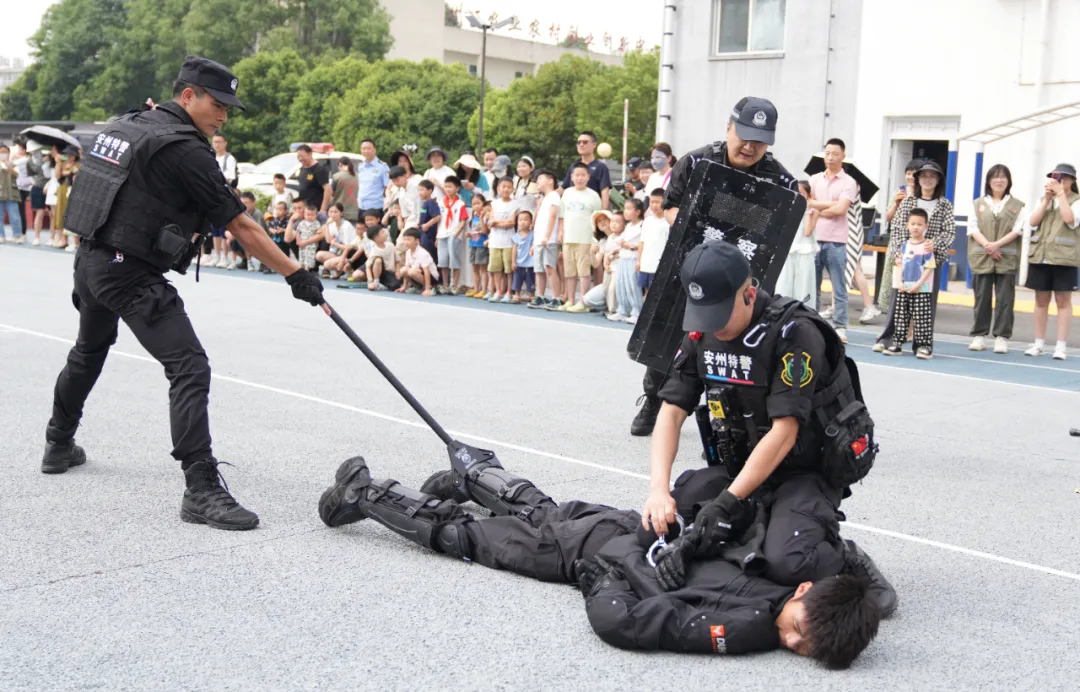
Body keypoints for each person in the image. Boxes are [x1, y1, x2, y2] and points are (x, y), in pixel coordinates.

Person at [43, 56, 325, 530]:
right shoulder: (186, 150)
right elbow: (239, 224)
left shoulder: (134, 123)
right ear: (188, 95)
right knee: (189, 366)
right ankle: (201, 489)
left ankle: (58, 442)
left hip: (91, 260)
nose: (224, 116)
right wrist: (295, 274)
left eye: (230, 109)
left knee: (88, 350)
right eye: (218, 104)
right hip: (128, 272)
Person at [318, 454, 888, 668]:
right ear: (803, 593)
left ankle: (472, 475)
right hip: (618, 546)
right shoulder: (750, 618)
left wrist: (604, 584)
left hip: (627, 538)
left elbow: (632, 620)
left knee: (543, 511)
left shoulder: (778, 591)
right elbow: (625, 624)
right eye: (796, 632)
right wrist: (603, 583)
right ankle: (368, 495)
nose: (789, 642)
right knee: (479, 540)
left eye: (802, 648)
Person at [636, 241, 892, 618]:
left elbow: (785, 432)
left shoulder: (795, 334)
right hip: (744, 470)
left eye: (719, 315)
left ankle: (842, 555)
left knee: (788, 563)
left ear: (749, 294)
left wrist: (726, 503)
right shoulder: (702, 333)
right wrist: (658, 490)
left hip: (804, 471)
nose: (711, 327)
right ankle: (756, 526)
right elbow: (671, 412)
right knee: (657, 531)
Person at [631, 96, 798, 437]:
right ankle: (653, 399)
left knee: (737, 346)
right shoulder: (695, 161)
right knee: (666, 340)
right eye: (745, 135)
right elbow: (670, 206)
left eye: (760, 141)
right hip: (689, 266)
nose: (750, 146)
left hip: (741, 282)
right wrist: (694, 229)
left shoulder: (781, 181)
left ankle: (735, 417)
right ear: (729, 127)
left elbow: (779, 232)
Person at [873, 160, 955, 355]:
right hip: (905, 259)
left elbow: (950, 231)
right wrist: (905, 249)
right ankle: (889, 339)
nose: (927, 180)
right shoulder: (908, 202)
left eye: (932, 176)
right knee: (898, 301)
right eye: (923, 176)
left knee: (926, 304)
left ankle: (923, 345)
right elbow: (899, 227)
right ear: (917, 179)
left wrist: (933, 244)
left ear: (938, 180)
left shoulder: (944, 205)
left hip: (929, 262)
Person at [1023, 163, 1080, 360]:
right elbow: (1032, 222)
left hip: (1065, 259)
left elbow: (1069, 219)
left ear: (1072, 181)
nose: (1059, 182)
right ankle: (1038, 343)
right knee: (1040, 301)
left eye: (1064, 178)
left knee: (1063, 302)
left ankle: (1061, 347)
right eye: (1056, 178)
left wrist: (1061, 196)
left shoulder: (1076, 200)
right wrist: (1047, 200)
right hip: (1041, 256)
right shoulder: (1044, 200)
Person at [967, 164, 1025, 354]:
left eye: (1003, 177)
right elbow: (973, 229)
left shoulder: (1018, 205)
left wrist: (996, 245)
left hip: (1006, 258)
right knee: (981, 297)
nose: (999, 180)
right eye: (995, 177)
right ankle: (979, 335)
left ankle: (1001, 337)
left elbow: (1018, 230)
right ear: (988, 181)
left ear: (1009, 181)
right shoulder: (977, 204)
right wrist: (988, 247)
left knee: (1005, 299)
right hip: (982, 257)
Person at [806, 138, 859, 344]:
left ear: (843, 156)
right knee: (814, 286)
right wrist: (827, 205)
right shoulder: (814, 179)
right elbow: (807, 204)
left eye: (835, 153)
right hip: (814, 239)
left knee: (839, 288)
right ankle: (814, 323)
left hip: (837, 241)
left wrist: (818, 208)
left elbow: (841, 209)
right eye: (827, 153)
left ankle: (840, 326)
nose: (830, 157)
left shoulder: (849, 182)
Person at [882, 208, 936, 358]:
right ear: (907, 225)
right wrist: (899, 282)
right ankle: (897, 343)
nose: (916, 227)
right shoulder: (904, 245)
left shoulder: (926, 246)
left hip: (922, 289)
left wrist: (918, 284)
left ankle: (923, 346)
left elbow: (929, 267)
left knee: (921, 317)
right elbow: (899, 264)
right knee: (901, 316)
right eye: (913, 224)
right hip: (903, 288)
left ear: (926, 226)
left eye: (919, 224)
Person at [557, 162, 603, 313]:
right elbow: (562, 216)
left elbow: (598, 218)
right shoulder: (567, 193)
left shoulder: (594, 195)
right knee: (569, 271)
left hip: (585, 238)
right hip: (568, 238)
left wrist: (595, 240)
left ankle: (583, 301)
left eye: (583, 175)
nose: (580, 178)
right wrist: (560, 232)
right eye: (577, 175)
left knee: (583, 271)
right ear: (571, 177)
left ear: (588, 177)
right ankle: (570, 300)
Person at [775, 181, 820, 306]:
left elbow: (807, 232)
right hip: (788, 251)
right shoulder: (787, 211)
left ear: (808, 196)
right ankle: (782, 310)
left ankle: (805, 312)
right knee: (784, 283)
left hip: (805, 251)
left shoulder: (814, 212)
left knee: (804, 285)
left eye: (801, 194)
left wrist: (807, 212)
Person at [528, 170, 564, 309]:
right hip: (539, 239)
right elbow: (538, 222)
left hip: (549, 239)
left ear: (550, 181)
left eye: (540, 178)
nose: (537, 181)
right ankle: (540, 295)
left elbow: (553, 216)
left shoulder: (554, 196)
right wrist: (534, 242)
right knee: (538, 269)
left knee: (550, 267)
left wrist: (547, 236)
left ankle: (556, 297)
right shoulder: (543, 198)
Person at [560, 131, 612, 210]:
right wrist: (549, 194)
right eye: (579, 142)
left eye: (585, 142)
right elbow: (563, 188)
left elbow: (605, 193)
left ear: (594, 145)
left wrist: (602, 214)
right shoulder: (573, 166)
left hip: (590, 212)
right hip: (572, 211)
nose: (581, 144)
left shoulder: (600, 167)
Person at [487, 177, 519, 303]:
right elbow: (490, 222)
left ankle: (508, 291)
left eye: (509, 187)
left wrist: (496, 222)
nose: (506, 189)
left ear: (512, 189)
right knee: (495, 268)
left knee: (508, 269)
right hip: (494, 241)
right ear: (498, 188)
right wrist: (496, 222)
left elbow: (511, 223)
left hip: (508, 241)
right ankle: (498, 290)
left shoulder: (515, 204)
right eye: (503, 187)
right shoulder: (494, 203)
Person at [436, 176, 468, 294]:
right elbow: (439, 220)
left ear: (457, 188)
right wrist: (437, 235)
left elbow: (463, 220)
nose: (447, 189)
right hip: (442, 234)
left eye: (450, 187)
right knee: (443, 261)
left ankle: (454, 285)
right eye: (446, 186)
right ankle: (445, 285)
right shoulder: (441, 203)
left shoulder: (460, 204)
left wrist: (456, 233)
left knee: (454, 260)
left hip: (454, 234)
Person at [637, 189, 671, 297]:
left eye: (657, 202)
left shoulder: (669, 222)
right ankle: (645, 314)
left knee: (657, 293)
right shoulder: (647, 221)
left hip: (659, 265)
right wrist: (638, 260)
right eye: (652, 202)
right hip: (646, 264)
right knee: (646, 292)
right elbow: (642, 242)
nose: (654, 205)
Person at [395, 227, 438, 296]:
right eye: (404, 239)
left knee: (412, 271)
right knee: (403, 270)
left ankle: (429, 287)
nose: (406, 242)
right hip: (419, 274)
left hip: (432, 278)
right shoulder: (408, 252)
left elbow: (426, 271)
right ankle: (418, 287)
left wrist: (427, 289)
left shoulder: (422, 253)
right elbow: (406, 269)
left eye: (409, 239)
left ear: (417, 241)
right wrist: (404, 287)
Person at [295, 144, 332, 220]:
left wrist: (323, 209)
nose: (300, 159)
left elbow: (328, 189)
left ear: (310, 154)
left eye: (302, 156)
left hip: (315, 211)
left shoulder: (319, 169)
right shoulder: (303, 168)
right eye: (298, 157)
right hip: (304, 211)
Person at [465, 193, 490, 298]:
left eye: (478, 203)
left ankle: (484, 290)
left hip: (482, 245)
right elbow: (475, 231)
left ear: (483, 203)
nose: (476, 206)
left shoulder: (485, 216)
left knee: (483, 269)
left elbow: (484, 231)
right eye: (473, 204)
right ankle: (476, 288)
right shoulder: (473, 216)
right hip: (473, 244)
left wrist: (481, 218)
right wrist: (469, 234)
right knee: (474, 268)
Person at [0, 144, 25, 243]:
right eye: (1, 152)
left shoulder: (14, 163)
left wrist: (8, 165)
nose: (3, 154)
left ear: (9, 153)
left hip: (12, 192)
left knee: (14, 215)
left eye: (5, 152)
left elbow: (17, 174)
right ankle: (1, 235)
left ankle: (17, 235)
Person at [510, 209, 536, 303]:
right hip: (519, 263)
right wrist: (513, 262)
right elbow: (514, 249)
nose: (523, 222)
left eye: (525, 220)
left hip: (530, 263)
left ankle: (532, 295)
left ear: (531, 222)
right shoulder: (516, 235)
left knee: (531, 279)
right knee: (517, 279)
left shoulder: (533, 234)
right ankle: (517, 295)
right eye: (520, 220)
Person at [330, 156, 360, 224]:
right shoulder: (358, 176)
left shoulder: (337, 177)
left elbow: (331, 193)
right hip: (355, 212)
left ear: (340, 164)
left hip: (339, 212)